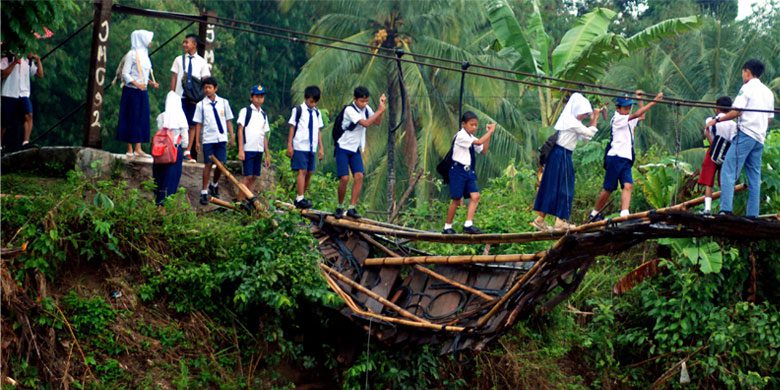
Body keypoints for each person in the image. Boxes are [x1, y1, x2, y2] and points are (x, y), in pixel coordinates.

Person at [705, 59, 775, 217]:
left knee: (728, 170)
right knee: (754, 176)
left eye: (743, 72)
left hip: (745, 134)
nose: (742, 75)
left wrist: (716, 120)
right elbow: (769, 118)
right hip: (759, 138)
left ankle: (725, 210)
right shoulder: (768, 92)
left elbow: (736, 111)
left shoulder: (747, 87)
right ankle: (753, 214)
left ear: (747, 72)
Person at [588, 90, 663, 222]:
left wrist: (640, 100)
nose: (628, 109)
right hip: (615, 157)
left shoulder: (628, 118)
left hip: (626, 159)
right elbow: (637, 114)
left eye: (629, 107)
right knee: (608, 188)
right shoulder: (618, 119)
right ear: (618, 108)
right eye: (625, 107)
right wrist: (654, 101)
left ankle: (624, 215)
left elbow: (642, 116)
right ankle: (594, 213)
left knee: (628, 185)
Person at [531, 93, 602, 231]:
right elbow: (590, 133)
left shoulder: (572, 121)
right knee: (565, 188)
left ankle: (540, 219)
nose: (584, 116)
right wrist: (596, 117)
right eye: (583, 113)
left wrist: (593, 118)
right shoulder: (571, 121)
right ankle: (560, 221)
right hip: (561, 154)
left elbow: (586, 138)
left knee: (553, 187)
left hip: (560, 154)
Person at [334, 86, 386, 218]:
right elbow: (366, 123)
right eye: (362, 101)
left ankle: (352, 207)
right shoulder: (349, 110)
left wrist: (381, 108)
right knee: (344, 178)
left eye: (366, 101)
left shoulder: (366, 109)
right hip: (343, 147)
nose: (364, 104)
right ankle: (339, 207)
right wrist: (379, 111)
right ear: (355, 99)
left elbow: (378, 122)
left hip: (355, 148)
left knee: (359, 176)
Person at [442, 111, 495, 234]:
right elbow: (478, 143)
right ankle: (447, 226)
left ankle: (468, 224)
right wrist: (490, 132)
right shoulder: (461, 136)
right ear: (463, 124)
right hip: (457, 170)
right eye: (472, 125)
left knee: (475, 196)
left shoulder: (471, 137)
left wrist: (489, 135)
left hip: (468, 170)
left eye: (476, 125)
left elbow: (483, 150)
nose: (474, 127)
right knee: (456, 199)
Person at [193, 77, 234, 205]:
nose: (207, 90)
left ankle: (214, 184)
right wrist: (197, 141)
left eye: (210, 87)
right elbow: (198, 124)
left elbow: (228, 120)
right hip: (208, 139)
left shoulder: (223, 102)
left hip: (221, 137)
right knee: (208, 164)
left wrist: (231, 135)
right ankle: (204, 191)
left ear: (215, 88)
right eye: (205, 87)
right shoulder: (201, 105)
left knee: (221, 164)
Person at [117, 30, 159, 158]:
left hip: (142, 90)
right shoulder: (132, 54)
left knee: (142, 118)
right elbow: (125, 73)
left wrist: (150, 83)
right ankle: (129, 148)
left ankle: (138, 148)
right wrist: (137, 84)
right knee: (131, 117)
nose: (150, 42)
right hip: (132, 91)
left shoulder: (145, 55)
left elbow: (143, 73)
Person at [170, 34, 211, 163]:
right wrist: (172, 94)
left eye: (187, 42)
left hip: (194, 98)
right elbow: (174, 77)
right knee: (177, 123)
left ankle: (187, 151)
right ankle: (176, 149)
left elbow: (205, 80)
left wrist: (203, 96)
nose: (184, 45)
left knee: (192, 124)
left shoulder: (202, 62)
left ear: (194, 44)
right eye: (184, 42)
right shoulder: (178, 59)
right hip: (179, 96)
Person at [697, 96, 737, 214]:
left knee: (709, 181)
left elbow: (708, 135)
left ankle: (707, 209)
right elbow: (732, 140)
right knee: (724, 182)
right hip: (726, 154)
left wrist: (714, 146)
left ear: (717, 107)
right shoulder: (733, 125)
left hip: (712, 152)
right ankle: (724, 209)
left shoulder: (710, 120)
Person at [287, 85, 324, 209]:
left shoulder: (316, 113)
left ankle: (301, 195)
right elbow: (292, 127)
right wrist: (290, 145)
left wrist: (321, 147)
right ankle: (300, 197)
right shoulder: (298, 110)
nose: (313, 104)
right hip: (300, 145)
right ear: (306, 98)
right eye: (311, 101)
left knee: (309, 172)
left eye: (315, 102)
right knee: (302, 171)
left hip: (311, 146)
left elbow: (318, 130)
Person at [153, 91, 189, 205]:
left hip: (160, 151)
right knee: (171, 178)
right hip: (174, 151)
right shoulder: (181, 118)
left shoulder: (161, 116)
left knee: (159, 177)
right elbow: (185, 141)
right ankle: (167, 203)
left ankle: (158, 202)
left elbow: (159, 129)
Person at [1, 51, 44, 148]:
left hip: (23, 92)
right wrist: (14, 62)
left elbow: (40, 74)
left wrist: (38, 60)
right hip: (9, 92)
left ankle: (26, 142)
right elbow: (3, 74)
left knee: (28, 115)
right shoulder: (6, 58)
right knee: (4, 121)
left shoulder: (27, 61)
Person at [236, 84, 271, 202]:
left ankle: (248, 199)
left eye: (261, 96)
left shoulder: (263, 114)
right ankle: (239, 200)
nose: (259, 99)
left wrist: (267, 154)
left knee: (255, 176)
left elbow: (264, 135)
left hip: (259, 149)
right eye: (257, 96)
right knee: (247, 176)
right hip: (248, 148)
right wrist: (241, 149)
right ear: (252, 97)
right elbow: (240, 130)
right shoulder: (246, 111)